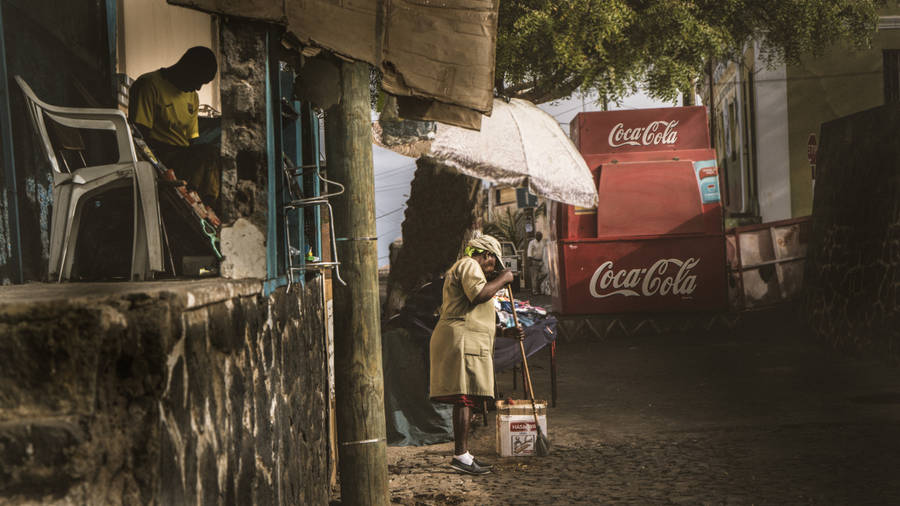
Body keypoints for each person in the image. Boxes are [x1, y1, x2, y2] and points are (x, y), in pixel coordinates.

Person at [429, 235, 525, 475]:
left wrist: (504, 331)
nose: (494, 268)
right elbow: (478, 295)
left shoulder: (468, 268)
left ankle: (465, 454)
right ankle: (460, 456)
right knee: (463, 397)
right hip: (461, 340)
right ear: (486, 255)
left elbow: (474, 312)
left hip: (467, 338)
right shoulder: (469, 264)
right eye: (494, 262)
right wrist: (504, 279)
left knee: (468, 395)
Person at [128, 46, 220, 208]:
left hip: (183, 157)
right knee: (206, 154)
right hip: (160, 156)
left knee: (212, 155)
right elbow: (140, 138)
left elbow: (192, 140)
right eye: (198, 81)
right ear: (187, 68)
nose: (198, 88)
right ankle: (195, 202)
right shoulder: (149, 85)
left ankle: (206, 207)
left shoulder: (192, 96)